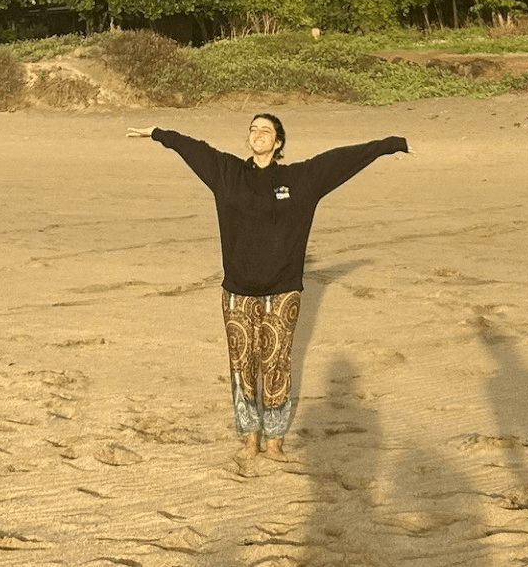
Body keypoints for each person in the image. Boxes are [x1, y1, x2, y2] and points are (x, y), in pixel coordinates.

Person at [129, 113, 407, 459]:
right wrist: (158, 133)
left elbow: (339, 160)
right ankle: (249, 437)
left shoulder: (299, 179)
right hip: (237, 291)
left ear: (278, 143)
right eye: (253, 129)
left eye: (266, 131)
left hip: (282, 290)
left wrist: (386, 146)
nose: (258, 134)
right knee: (241, 363)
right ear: (249, 139)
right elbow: (194, 149)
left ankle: (274, 439)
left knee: (276, 363)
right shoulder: (228, 174)